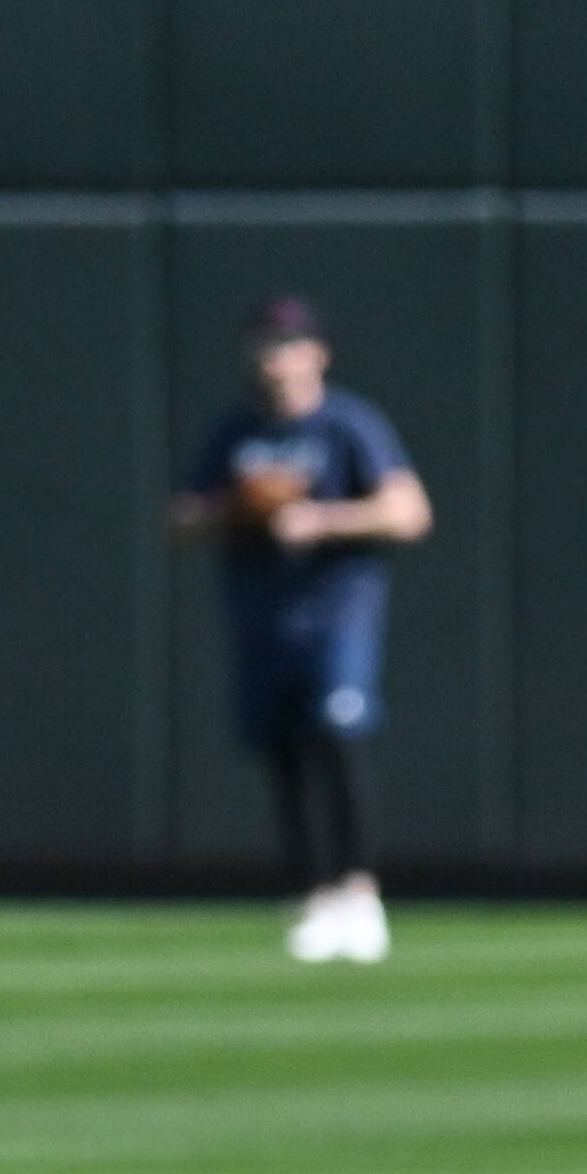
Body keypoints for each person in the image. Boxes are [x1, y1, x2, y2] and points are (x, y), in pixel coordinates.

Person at [169, 297, 432, 965]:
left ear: (317, 353)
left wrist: (321, 519)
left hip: (337, 610)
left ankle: (359, 894)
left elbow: (407, 511)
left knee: (338, 736)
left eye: (287, 344)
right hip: (263, 617)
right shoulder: (236, 430)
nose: (274, 358)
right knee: (283, 755)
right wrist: (239, 509)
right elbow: (180, 519)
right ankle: (314, 896)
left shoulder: (349, 424)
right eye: (264, 344)